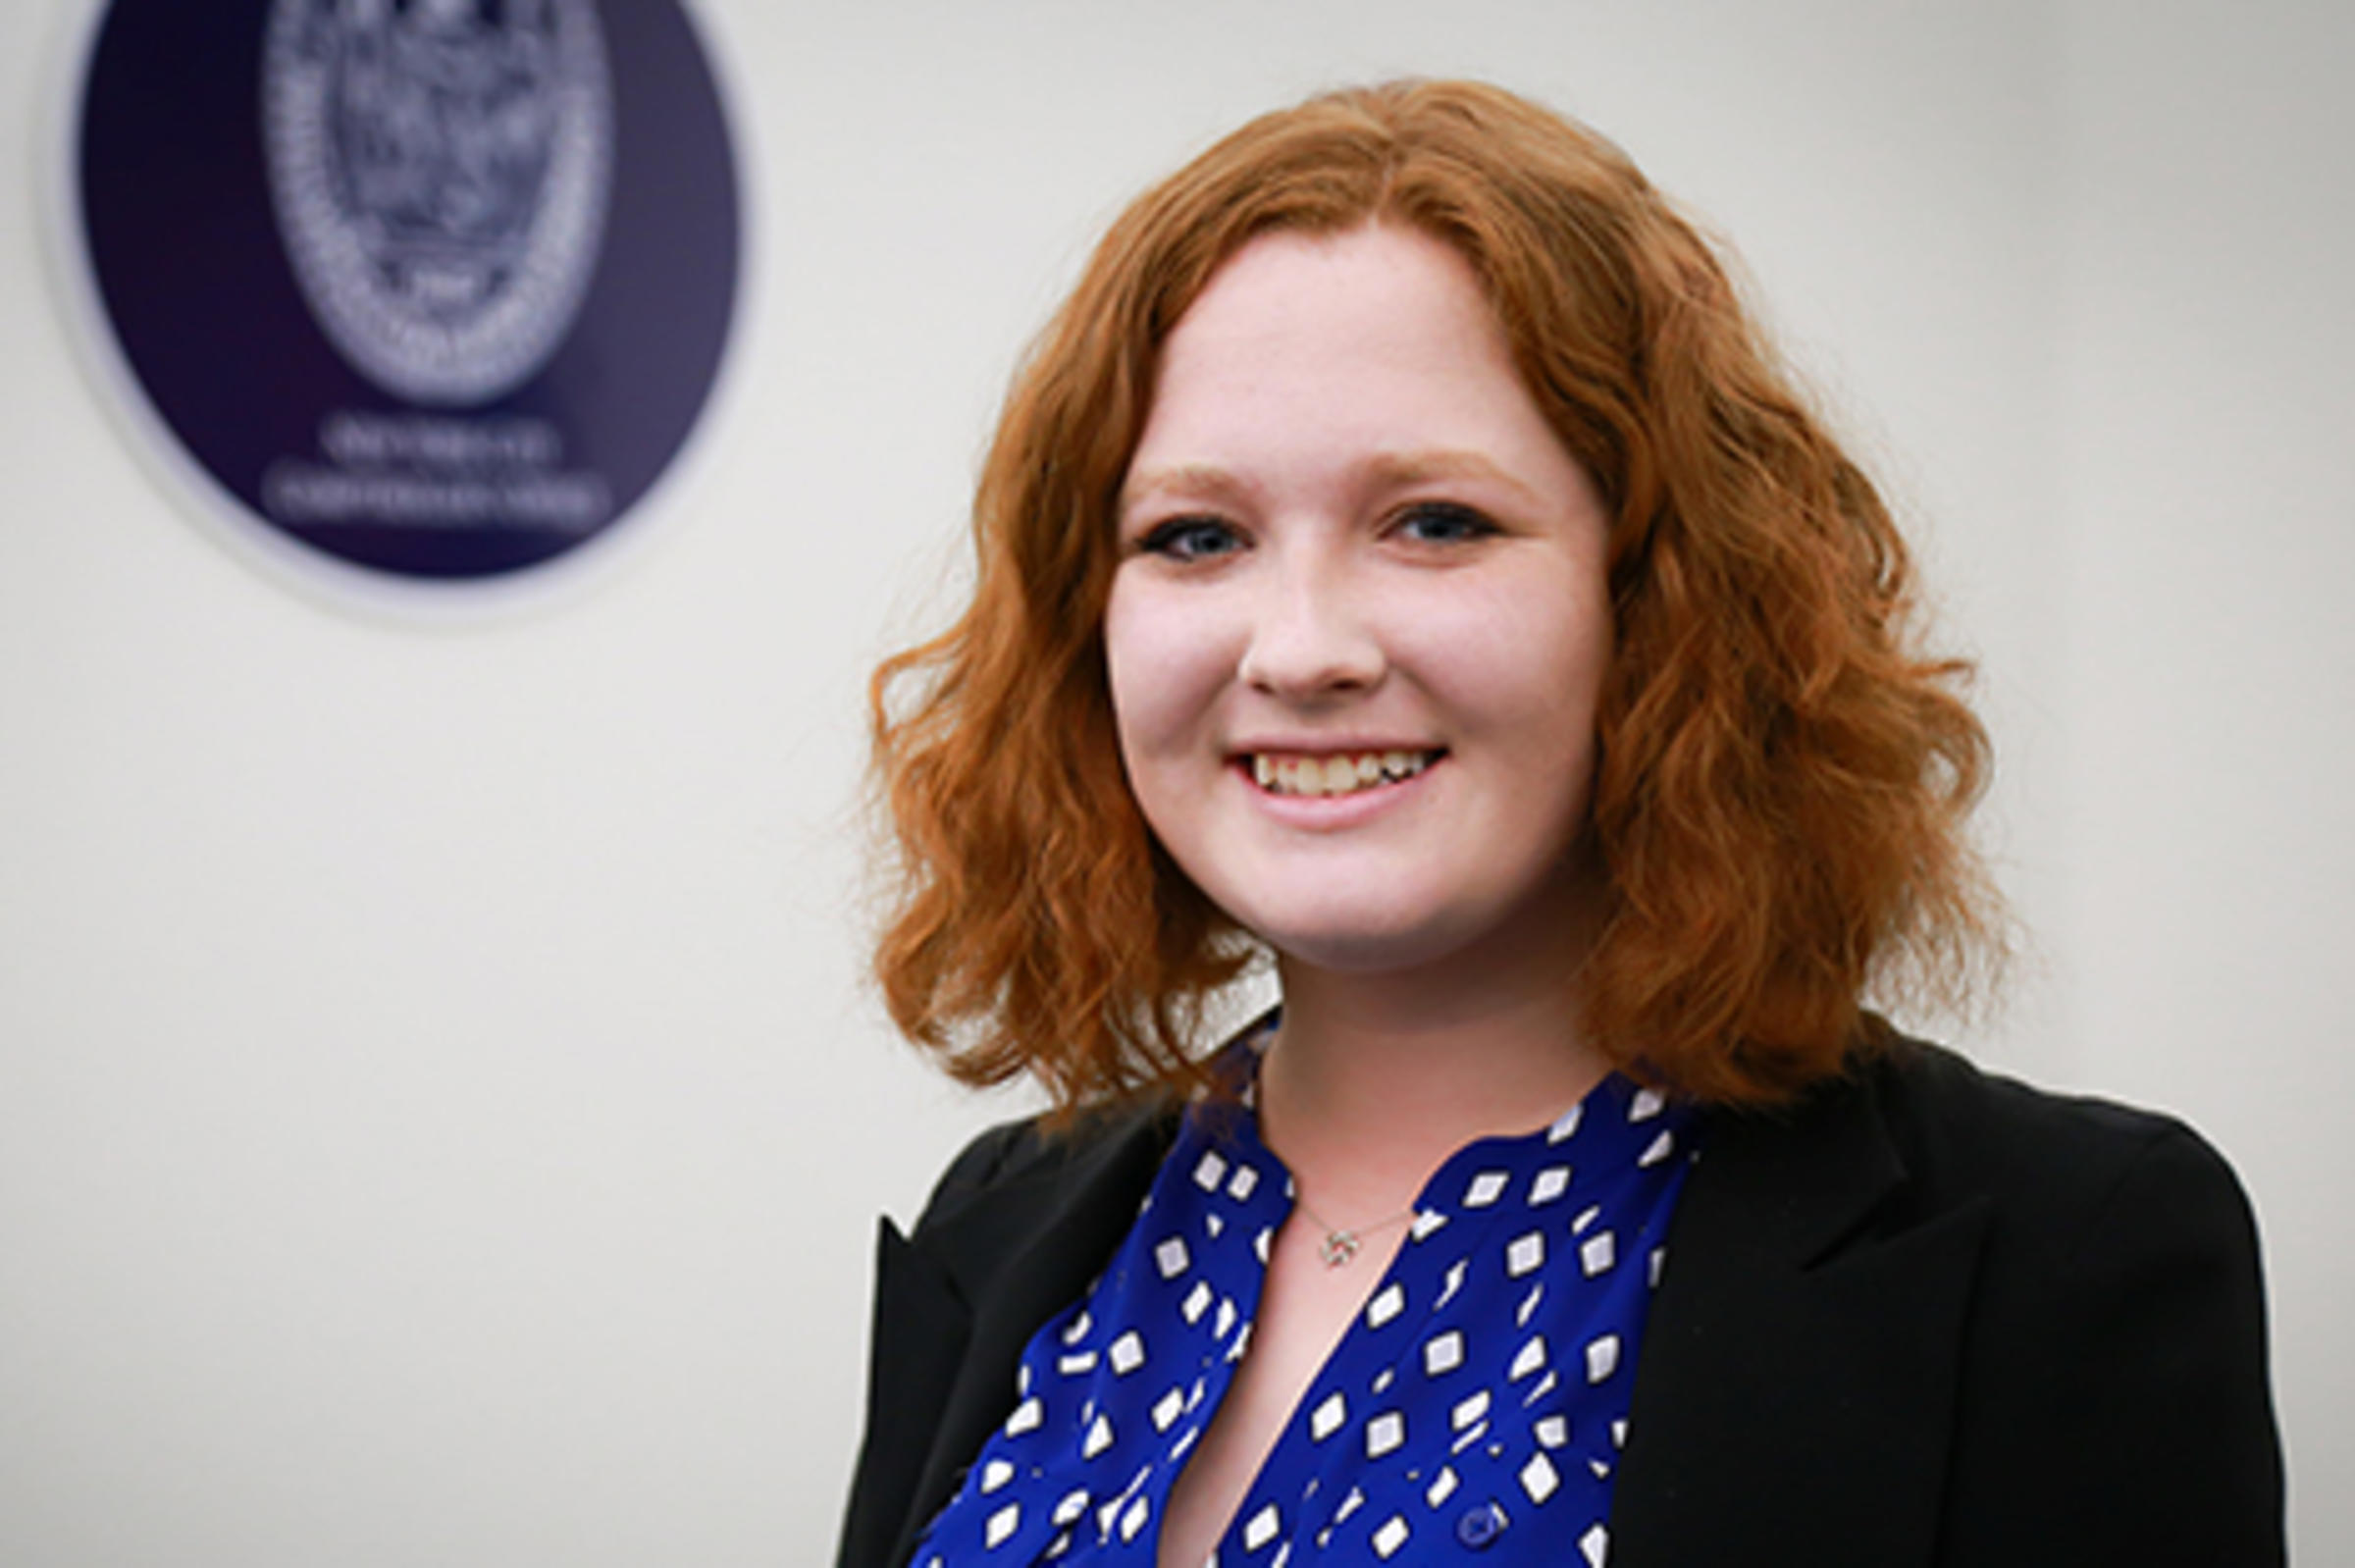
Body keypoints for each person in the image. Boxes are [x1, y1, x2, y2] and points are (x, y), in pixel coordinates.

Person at [837, 79, 2282, 1568]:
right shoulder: (997, 1228)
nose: (1302, 649)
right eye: (1195, 537)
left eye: (1437, 522)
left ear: (1665, 596)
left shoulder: (2062, 1251)